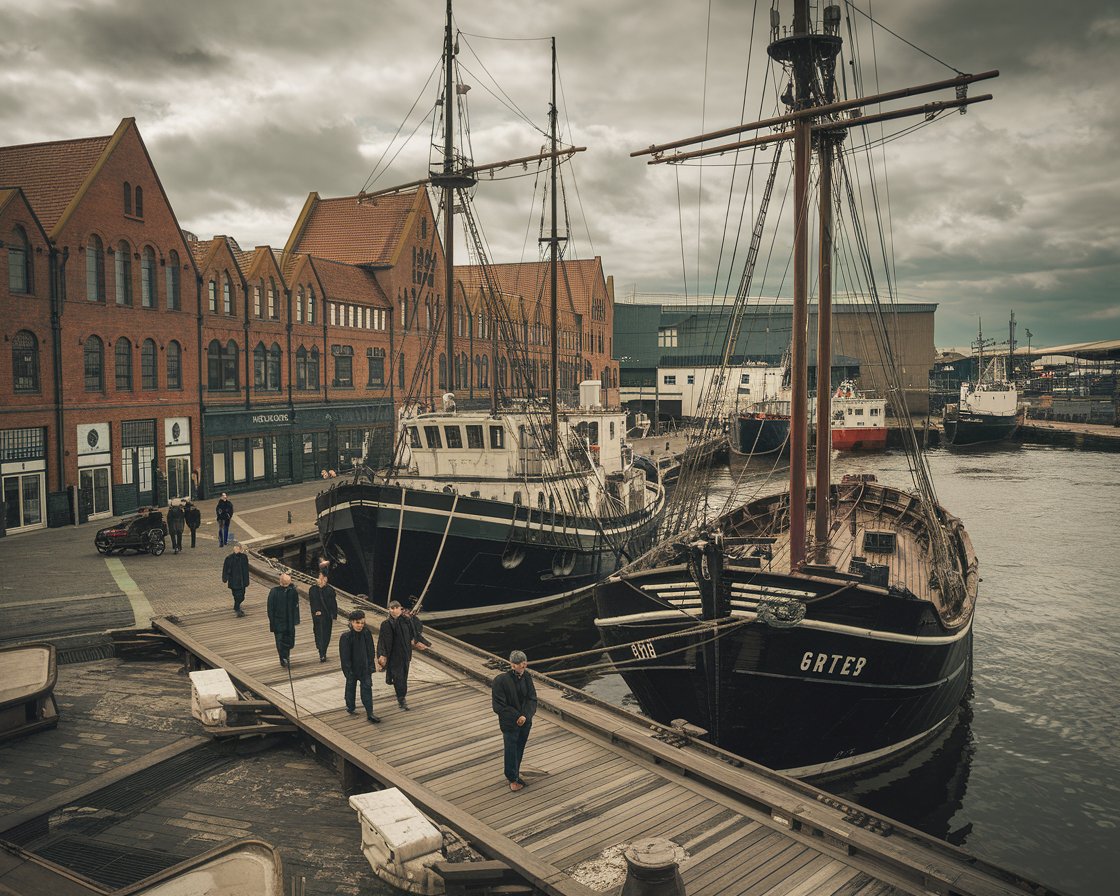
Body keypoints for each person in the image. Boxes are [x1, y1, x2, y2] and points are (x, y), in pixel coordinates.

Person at [491, 650, 537, 791]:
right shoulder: (500, 680)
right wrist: (517, 717)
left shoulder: (527, 677)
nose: (515, 666)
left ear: (524, 664)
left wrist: (525, 716)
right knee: (511, 749)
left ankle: (515, 774)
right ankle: (512, 778)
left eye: (519, 664)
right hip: (510, 722)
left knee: (520, 747)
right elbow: (498, 706)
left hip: (525, 721)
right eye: (514, 664)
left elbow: (532, 698)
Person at [339, 610, 380, 723]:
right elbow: (344, 657)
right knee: (350, 688)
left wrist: (371, 666)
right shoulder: (346, 637)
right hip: (352, 669)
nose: (360, 625)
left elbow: (371, 651)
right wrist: (348, 672)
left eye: (362, 623)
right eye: (357, 623)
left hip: (365, 668)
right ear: (351, 622)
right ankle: (350, 707)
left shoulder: (366, 633)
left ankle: (370, 713)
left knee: (367, 689)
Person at [377, 600, 415, 710]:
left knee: (404, 677)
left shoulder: (407, 621)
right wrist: (381, 654)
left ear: (400, 608)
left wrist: (419, 642)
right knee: (398, 678)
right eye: (391, 608)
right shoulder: (386, 624)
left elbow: (414, 633)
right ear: (389, 610)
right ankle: (401, 699)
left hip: (405, 654)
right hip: (393, 655)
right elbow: (382, 640)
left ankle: (401, 695)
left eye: (395, 608)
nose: (393, 610)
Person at [265, 572, 300, 667]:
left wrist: (295, 620)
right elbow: (270, 608)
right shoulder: (274, 592)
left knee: (289, 641)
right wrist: (272, 621)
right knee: (280, 641)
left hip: (289, 621)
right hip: (278, 622)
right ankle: (283, 658)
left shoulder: (292, 591)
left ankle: (286, 656)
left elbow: (296, 606)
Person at [308, 572, 337, 662]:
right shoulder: (313, 589)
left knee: (327, 633)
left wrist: (334, 614)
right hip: (318, 615)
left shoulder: (330, 590)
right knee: (319, 633)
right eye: (321, 578)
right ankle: (322, 652)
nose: (323, 580)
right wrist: (316, 611)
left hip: (327, 615)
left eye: (324, 579)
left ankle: (324, 650)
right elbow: (313, 602)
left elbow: (333, 603)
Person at [222, 543, 250, 617]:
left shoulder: (244, 557)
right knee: (236, 595)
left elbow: (246, 569)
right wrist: (225, 578)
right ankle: (238, 609)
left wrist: (247, 580)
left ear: (240, 549)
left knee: (242, 596)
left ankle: (236, 606)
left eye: (237, 548)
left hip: (243, 581)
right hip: (233, 581)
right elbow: (225, 569)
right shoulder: (229, 558)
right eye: (235, 548)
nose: (236, 550)